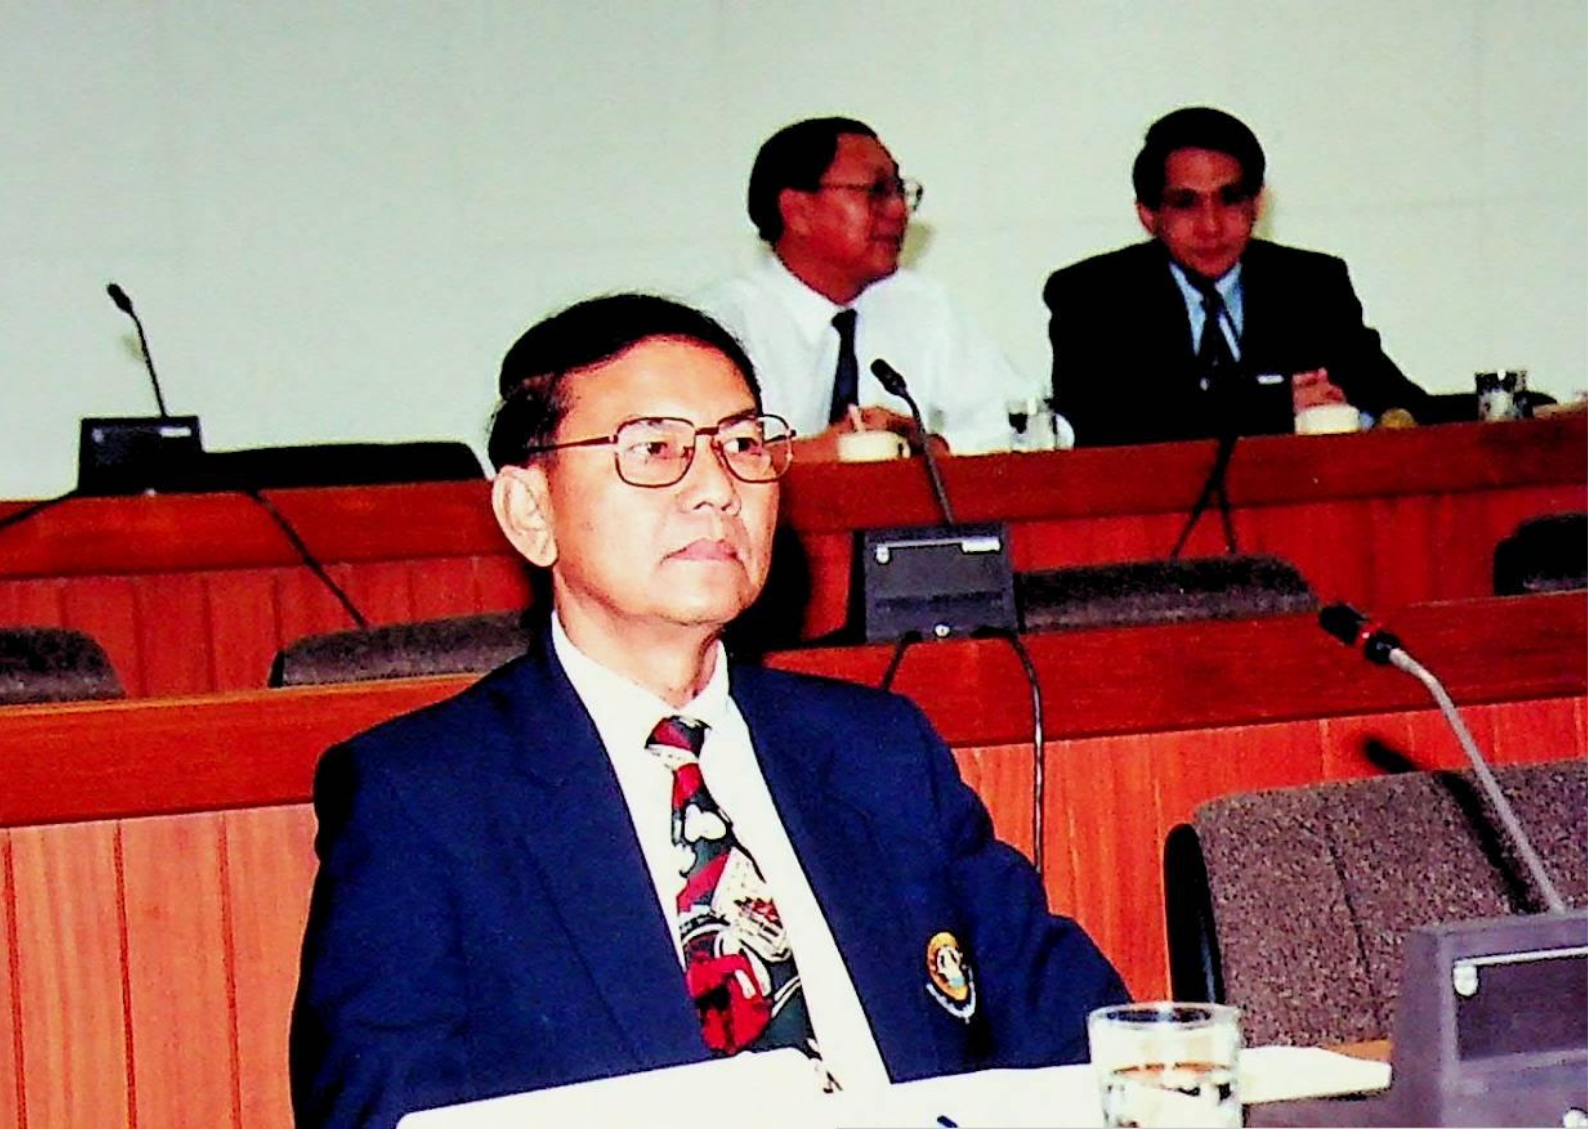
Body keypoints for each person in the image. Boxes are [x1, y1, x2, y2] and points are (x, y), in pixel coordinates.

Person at [289, 293, 1126, 1126]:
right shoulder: (423, 797)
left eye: (742, 444)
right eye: (655, 449)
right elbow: (379, 1112)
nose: (718, 488)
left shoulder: (877, 750)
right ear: (530, 512)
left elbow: (1086, 1045)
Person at [1043, 106, 1431, 448]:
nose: (1211, 226)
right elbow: (1102, 423)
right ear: (1149, 215)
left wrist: (1389, 416)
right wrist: (1278, 408)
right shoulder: (1092, 294)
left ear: (1257, 204)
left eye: (1230, 199)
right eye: (1186, 204)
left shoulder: (1310, 284)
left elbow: (1399, 398)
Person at [699, 117, 1044, 460]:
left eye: (900, 190)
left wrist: (929, 446)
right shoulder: (718, 325)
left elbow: (1032, 421)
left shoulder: (920, 304)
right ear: (797, 211)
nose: (898, 210)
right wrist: (807, 456)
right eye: (877, 191)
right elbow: (701, 454)